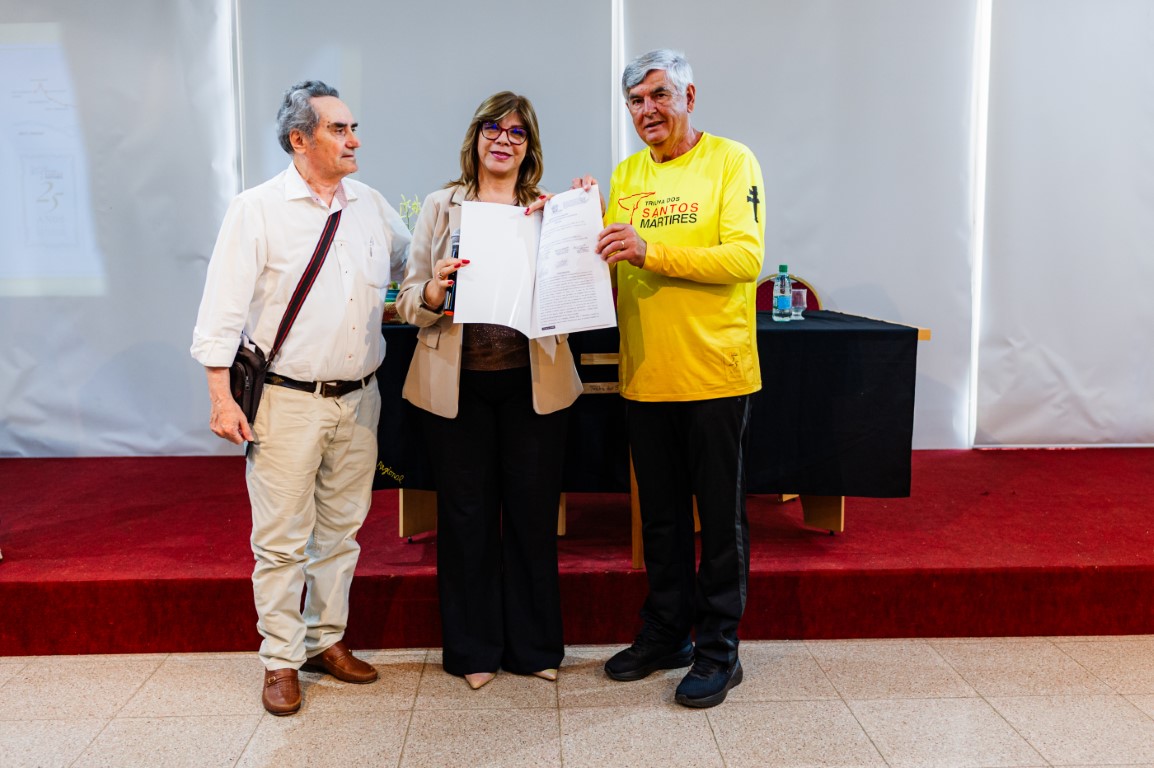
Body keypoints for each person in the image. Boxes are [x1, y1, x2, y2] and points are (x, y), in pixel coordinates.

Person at [191, 80, 410, 715]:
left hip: (361, 396)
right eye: (340, 130)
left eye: (353, 127)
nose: (354, 139)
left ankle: (326, 640)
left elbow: (410, 266)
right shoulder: (256, 209)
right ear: (299, 140)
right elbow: (220, 311)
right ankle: (281, 659)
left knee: (341, 533)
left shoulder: (368, 204)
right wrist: (219, 397)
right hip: (284, 402)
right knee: (282, 539)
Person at [395, 91, 583, 690]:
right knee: (466, 517)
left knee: (532, 516)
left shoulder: (547, 210)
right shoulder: (440, 205)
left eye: (518, 133)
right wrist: (432, 293)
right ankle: (473, 650)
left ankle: (533, 648)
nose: (504, 140)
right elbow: (405, 298)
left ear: (529, 148)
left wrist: (578, 222)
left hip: (533, 385)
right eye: (493, 128)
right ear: (476, 137)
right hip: (458, 388)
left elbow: (577, 291)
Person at [596, 49, 766, 708]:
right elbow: (611, 263)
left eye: (660, 95)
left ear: (689, 95)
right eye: (636, 101)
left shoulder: (731, 161)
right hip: (646, 375)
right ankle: (667, 632)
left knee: (718, 522)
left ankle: (721, 647)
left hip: (715, 374)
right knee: (662, 521)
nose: (648, 111)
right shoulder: (626, 173)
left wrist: (650, 250)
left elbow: (745, 256)